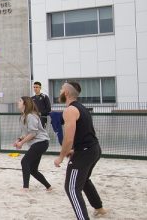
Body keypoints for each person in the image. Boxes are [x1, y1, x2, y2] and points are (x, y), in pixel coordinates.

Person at [54, 81, 107, 219]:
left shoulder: (70, 110)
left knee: (71, 188)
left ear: (66, 93)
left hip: (85, 153)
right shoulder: (81, 108)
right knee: (84, 181)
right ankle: (99, 208)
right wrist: (73, 150)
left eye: (61, 89)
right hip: (94, 149)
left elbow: (68, 139)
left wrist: (61, 156)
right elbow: (83, 133)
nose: (59, 91)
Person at [13, 96, 52, 192]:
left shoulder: (31, 116)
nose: (17, 102)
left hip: (41, 142)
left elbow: (33, 133)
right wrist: (19, 139)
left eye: (20, 101)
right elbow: (26, 133)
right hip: (38, 143)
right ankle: (49, 187)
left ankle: (25, 188)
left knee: (24, 162)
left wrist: (21, 143)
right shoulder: (23, 116)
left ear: (25, 104)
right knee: (33, 170)